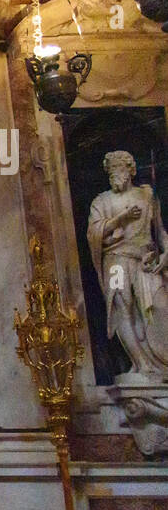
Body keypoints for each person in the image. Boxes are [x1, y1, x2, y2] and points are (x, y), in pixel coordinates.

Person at [86, 150, 168, 375]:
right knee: (122, 306)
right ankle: (141, 364)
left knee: (159, 305)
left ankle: (161, 362)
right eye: (110, 171)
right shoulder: (102, 201)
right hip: (116, 261)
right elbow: (94, 233)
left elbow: (159, 231)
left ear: (130, 171)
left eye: (119, 169)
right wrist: (121, 219)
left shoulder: (146, 196)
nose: (114, 174)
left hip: (145, 259)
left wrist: (166, 253)